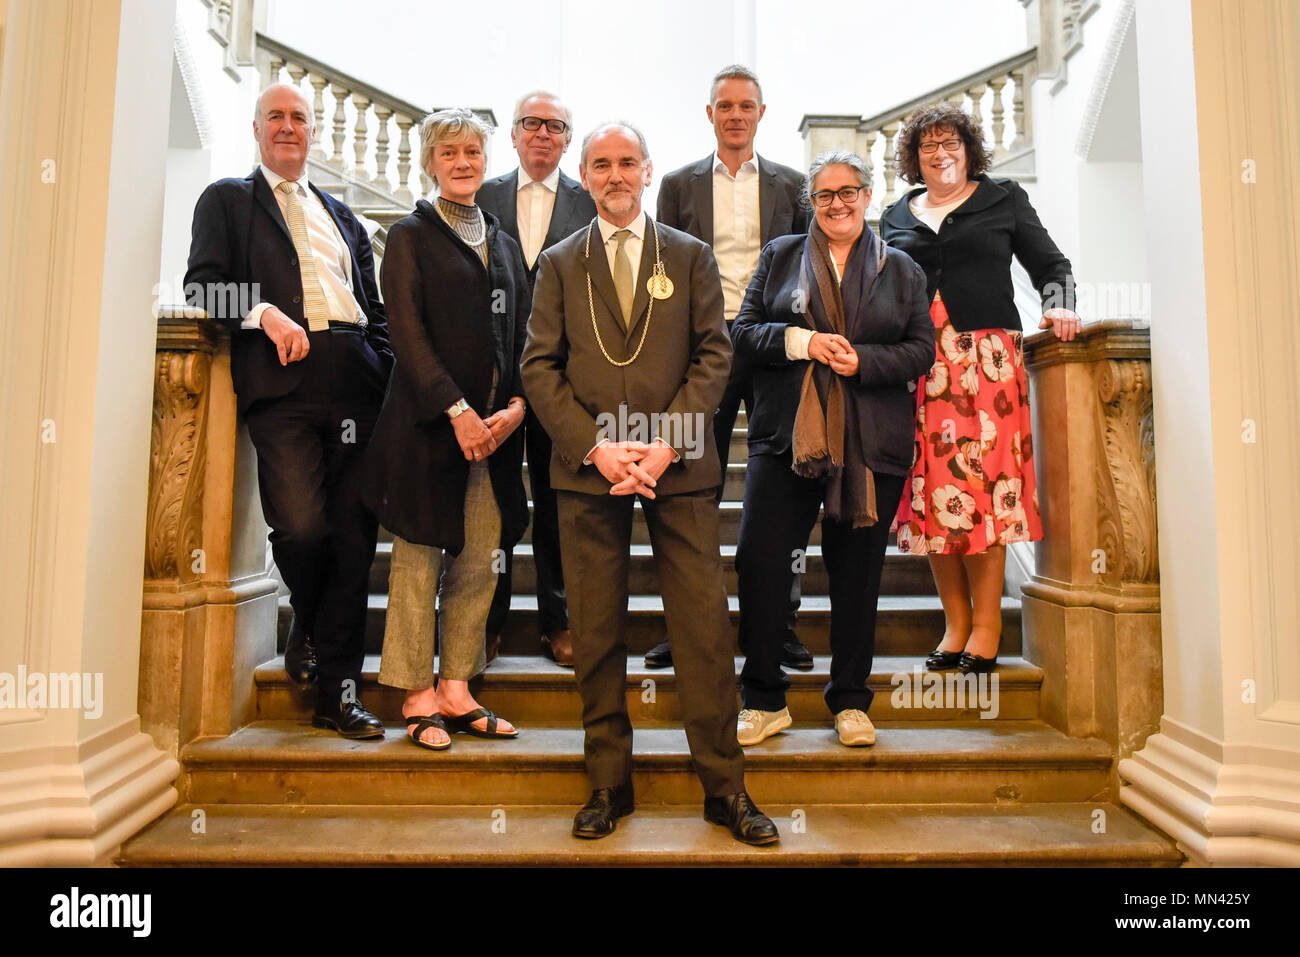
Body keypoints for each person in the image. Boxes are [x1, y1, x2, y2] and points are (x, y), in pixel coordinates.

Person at [522, 121, 778, 845]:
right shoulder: (560, 262)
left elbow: (713, 356)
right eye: (600, 164)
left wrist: (665, 445)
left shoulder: (691, 257)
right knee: (598, 629)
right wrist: (596, 450)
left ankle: (725, 788)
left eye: (626, 162)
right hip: (588, 473)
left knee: (701, 626)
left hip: (680, 467)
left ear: (647, 169)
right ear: (585, 171)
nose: (614, 175)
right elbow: (539, 366)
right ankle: (609, 782)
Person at [185, 84, 392, 739]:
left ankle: (339, 691)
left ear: (311, 132)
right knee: (303, 528)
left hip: (357, 378)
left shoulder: (344, 215)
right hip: (284, 384)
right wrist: (266, 313)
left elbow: (375, 306)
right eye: (275, 116)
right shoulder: (227, 200)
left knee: (355, 543)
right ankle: (305, 610)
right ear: (255, 128)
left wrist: (381, 366)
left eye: (298, 118)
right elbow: (201, 284)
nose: (288, 127)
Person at [731, 151, 933, 747]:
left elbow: (921, 350)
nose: (838, 203)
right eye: (825, 195)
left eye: (850, 192)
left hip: (870, 443)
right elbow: (743, 333)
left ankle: (850, 700)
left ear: (868, 197)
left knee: (857, 573)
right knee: (760, 562)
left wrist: (863, 360)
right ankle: (764, 699)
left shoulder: (902, 268)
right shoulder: (781, 256)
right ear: (810, 203)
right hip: (785, 438)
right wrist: (803, 341)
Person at [880, 103, 1080, 674]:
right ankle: (956, 624)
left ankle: (988, 627)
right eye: (928, 146)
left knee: (987, 496)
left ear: (968, 149)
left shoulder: (1003, 198)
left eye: (951, 144)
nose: (940, 154)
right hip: (921, 368)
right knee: (934, 501)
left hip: (988, 367)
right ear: (914, 157)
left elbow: (1052, 265)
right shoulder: (895, 214)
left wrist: (1060, 308)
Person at [361, 109, 530, 750]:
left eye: (472, 151)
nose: (462, 162)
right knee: (418, 561)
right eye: (449, 152)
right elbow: (405, 332)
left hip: (495, 434)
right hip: (429, 429)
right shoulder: (410, 235)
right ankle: (414, 692)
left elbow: (524, 334)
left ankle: (457, 688)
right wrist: (456, 411)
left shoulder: (506, 243)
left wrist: (515, 405)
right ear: (431, 162)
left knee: (480, 563)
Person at [651, 64, 813, 672]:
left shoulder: (794, 185)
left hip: (773, 350)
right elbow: (660, 271)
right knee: (688, 488)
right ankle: (685, 623)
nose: (736, 114)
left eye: (747, 105)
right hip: (701, 353)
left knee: (785, 495)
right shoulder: (676, 185)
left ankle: (778, 625)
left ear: (761, 114)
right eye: (725, 105)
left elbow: (808, 269)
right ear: (711, 114)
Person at [477, 90, 597, 668]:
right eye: (532, 123)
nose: (543, 134)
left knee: (557, 504)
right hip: (493, 379)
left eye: (556, 125)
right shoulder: (481, 194)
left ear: (568, 139)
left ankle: (559, 621)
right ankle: (486, 620)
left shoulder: (590, 200)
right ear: (515, 133)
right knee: (496, 504)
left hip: (563, 379)